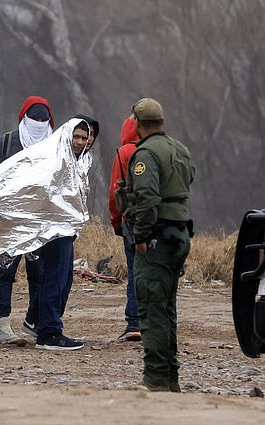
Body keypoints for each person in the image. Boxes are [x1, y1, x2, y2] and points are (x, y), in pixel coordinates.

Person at [124, 98, 194, 391]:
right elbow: (188, 180)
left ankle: (155, 378)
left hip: (157, 237)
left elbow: (148, 198)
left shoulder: (145, 154)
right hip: (180, 234)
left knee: (152, 306)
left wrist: (141, 236)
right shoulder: (180, 149)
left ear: (138, 124)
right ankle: (171, 377)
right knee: (167, 307)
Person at [0, 96, 54, 344]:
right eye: (34, 119)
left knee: (40, 274)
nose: (38, 124)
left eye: (42, 119)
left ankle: (33, 320)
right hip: (9, 222)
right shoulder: (6, 143)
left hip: (41, 222)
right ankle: (2, 323)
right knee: (6, 273)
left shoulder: (54, 146)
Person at [35, 120, 90, 351]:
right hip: (54, 230)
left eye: (83, 138)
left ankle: (48, 328)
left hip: (67, 229)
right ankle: (49, 333)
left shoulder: (80, 161)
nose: (79, 142)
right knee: (55, 281)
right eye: (75, 137)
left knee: (63, 281)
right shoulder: (55, 160)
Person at [108, 115, 142, 342]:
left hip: (132, 222)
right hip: (162, 221)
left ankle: (134, 324)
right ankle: (164, 324)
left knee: (135, 271)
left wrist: (116, 221)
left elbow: (114, 192)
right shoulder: (161, 148)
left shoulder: (124, 153)